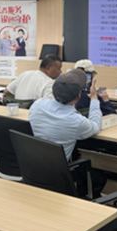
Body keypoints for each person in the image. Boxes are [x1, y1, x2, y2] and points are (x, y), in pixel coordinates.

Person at [28, 69, 107, 197]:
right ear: (78, 97)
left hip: (33, 170)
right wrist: (94, 98)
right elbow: (95, 126)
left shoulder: (37, 105)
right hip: (59, 176)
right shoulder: (76, 121)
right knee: (99, 177)